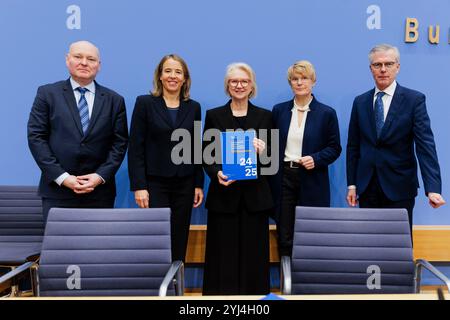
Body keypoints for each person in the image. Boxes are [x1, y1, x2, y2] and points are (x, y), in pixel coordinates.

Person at [346, 43, 445, 234]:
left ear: (397, 67)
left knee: (398, 247)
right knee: (368, 244)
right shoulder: (360, 102)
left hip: (399, 186)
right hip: (367, 187)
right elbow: (353, 146)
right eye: (377, 65)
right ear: (371, 69)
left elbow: (425, 146)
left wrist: (433, 188)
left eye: (389, 64)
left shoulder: (414, 100)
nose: (383, 69)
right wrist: (352, 184)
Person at [27, 41, 128, 221]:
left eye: (91, 59)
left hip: (99, 193)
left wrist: (99, 176)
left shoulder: (115, 100)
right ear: (68, 60)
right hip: (57, 191)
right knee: (59, 248)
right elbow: (36, 137)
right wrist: (63, 177)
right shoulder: (47, 94)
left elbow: (119, 144)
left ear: (99, 65)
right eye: (78, 57)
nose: (84, 62)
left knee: (99, 248)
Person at [202, 62, 273, 295]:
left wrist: (264, 152)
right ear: (227, 86)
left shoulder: (265, 116)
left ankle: (255, 301)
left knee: (255, 255)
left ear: (252, 86)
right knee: (222, 255)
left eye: (244, 81)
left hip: (255, 199)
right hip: (224, 197)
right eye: (234, 81)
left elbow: (272, 161)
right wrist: (216, 174)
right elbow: (206, 156)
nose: (239, 85)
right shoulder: (214, 115)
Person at [128, 54, 204, 262]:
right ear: (160, 76)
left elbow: (195, 147)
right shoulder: (145, 103)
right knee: (156, 236)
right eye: (168, 71)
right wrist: (139, 186)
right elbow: (135, 146)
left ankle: (176, 288)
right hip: (155, 183)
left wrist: (198, 184)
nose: (173, 76)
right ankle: (158, 287)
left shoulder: (193, 107)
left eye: (178, 72)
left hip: (185, 183)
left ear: (185, 78)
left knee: (180, 236)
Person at [272, 60, 342, 257]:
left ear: (313, 81)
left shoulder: (326, 113)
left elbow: (335, 148)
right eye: (295, 79)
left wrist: (317, 158)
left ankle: (309, 286)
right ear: (290, 83)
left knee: (312, 232)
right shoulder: (279, 111)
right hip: (284, 178)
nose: (299, 82)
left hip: (312, 179)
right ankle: (287, 283)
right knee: (284, 233)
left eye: (304, 78)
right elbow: (272, 145)